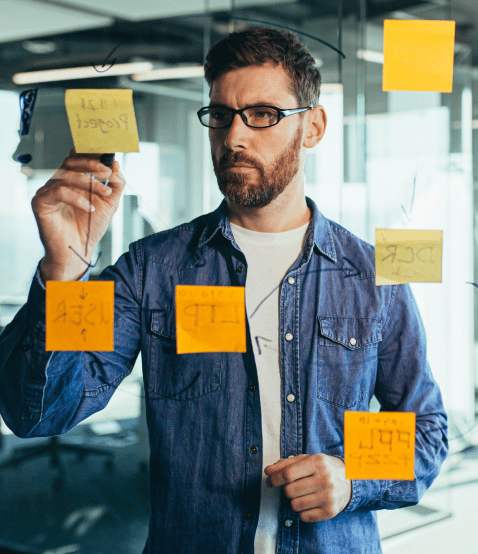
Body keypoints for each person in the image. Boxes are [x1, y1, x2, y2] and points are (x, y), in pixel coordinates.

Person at [0, 28, 448, 554]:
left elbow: (424, 430)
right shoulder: (152, 269)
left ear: (313, 127)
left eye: (263, 114)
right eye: (221, 114)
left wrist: (352, 478)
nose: (234, 136)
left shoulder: (373, 276)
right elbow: (39, 411)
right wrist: (65, 268)